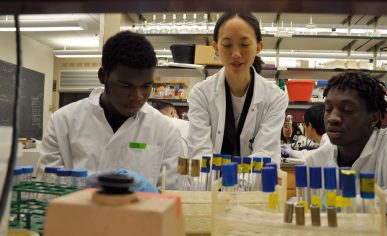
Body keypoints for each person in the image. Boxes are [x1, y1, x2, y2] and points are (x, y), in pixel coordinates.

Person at [39, 31, 183, 191]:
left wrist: (153, 195)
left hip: (141, 215)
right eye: (126, 85)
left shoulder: (166, 130)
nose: (137, 96)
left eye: (146, 86)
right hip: (79, 215)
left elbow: (174, 193)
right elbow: (46, 189)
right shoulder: (62, 121)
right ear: (103, 76)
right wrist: (79, 190)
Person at [305, 71, 387, 220]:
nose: (333, 118)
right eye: (328, 109)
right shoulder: (315, 162)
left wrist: (355, 203)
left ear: (373, 118)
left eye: (347, 110)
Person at [187, 13, 288, 160]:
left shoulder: (275, 97)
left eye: (244, 44)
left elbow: (266, 155)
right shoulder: (201, 94)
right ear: (215, 47)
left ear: (259, 47)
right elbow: (199, 153)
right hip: (209, 181)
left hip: (253, 182)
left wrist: (242, 182)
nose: (235, 54)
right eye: (227, 45)